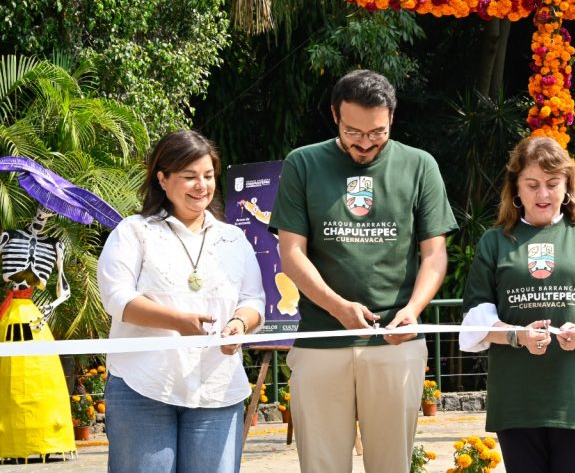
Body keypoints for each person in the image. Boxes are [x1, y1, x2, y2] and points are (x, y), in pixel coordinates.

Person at [270, 69, 457, 473]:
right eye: (354, 132)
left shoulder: (419, 165)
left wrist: (414, 309)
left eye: (378, 133)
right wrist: (337, 306)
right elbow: (292, 253)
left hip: (395, 342)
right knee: (321, 465)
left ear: (391, 118)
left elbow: (435, 254)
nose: (366, 143)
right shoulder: (303, 163)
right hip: (321, 339)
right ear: (335, 115)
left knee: (392, 465)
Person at [459, 136, 575, 473]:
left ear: (567, 185)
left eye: (552, 184)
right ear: (516, 188)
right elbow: (475, 321)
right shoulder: (494, 242)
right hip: (516, 401)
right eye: (532, 184)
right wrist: (515, 336)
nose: (543, 195)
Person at [97, 131, 265, 473]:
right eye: (189, 177)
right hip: (144, 386)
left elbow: (254, 300)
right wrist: (177, 321)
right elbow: (117, 298)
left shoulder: (234, 239)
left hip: (217, 391)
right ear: (162, 178)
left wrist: (239, 324)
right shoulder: (134, 231)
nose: (200, 185)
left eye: (207, 176)